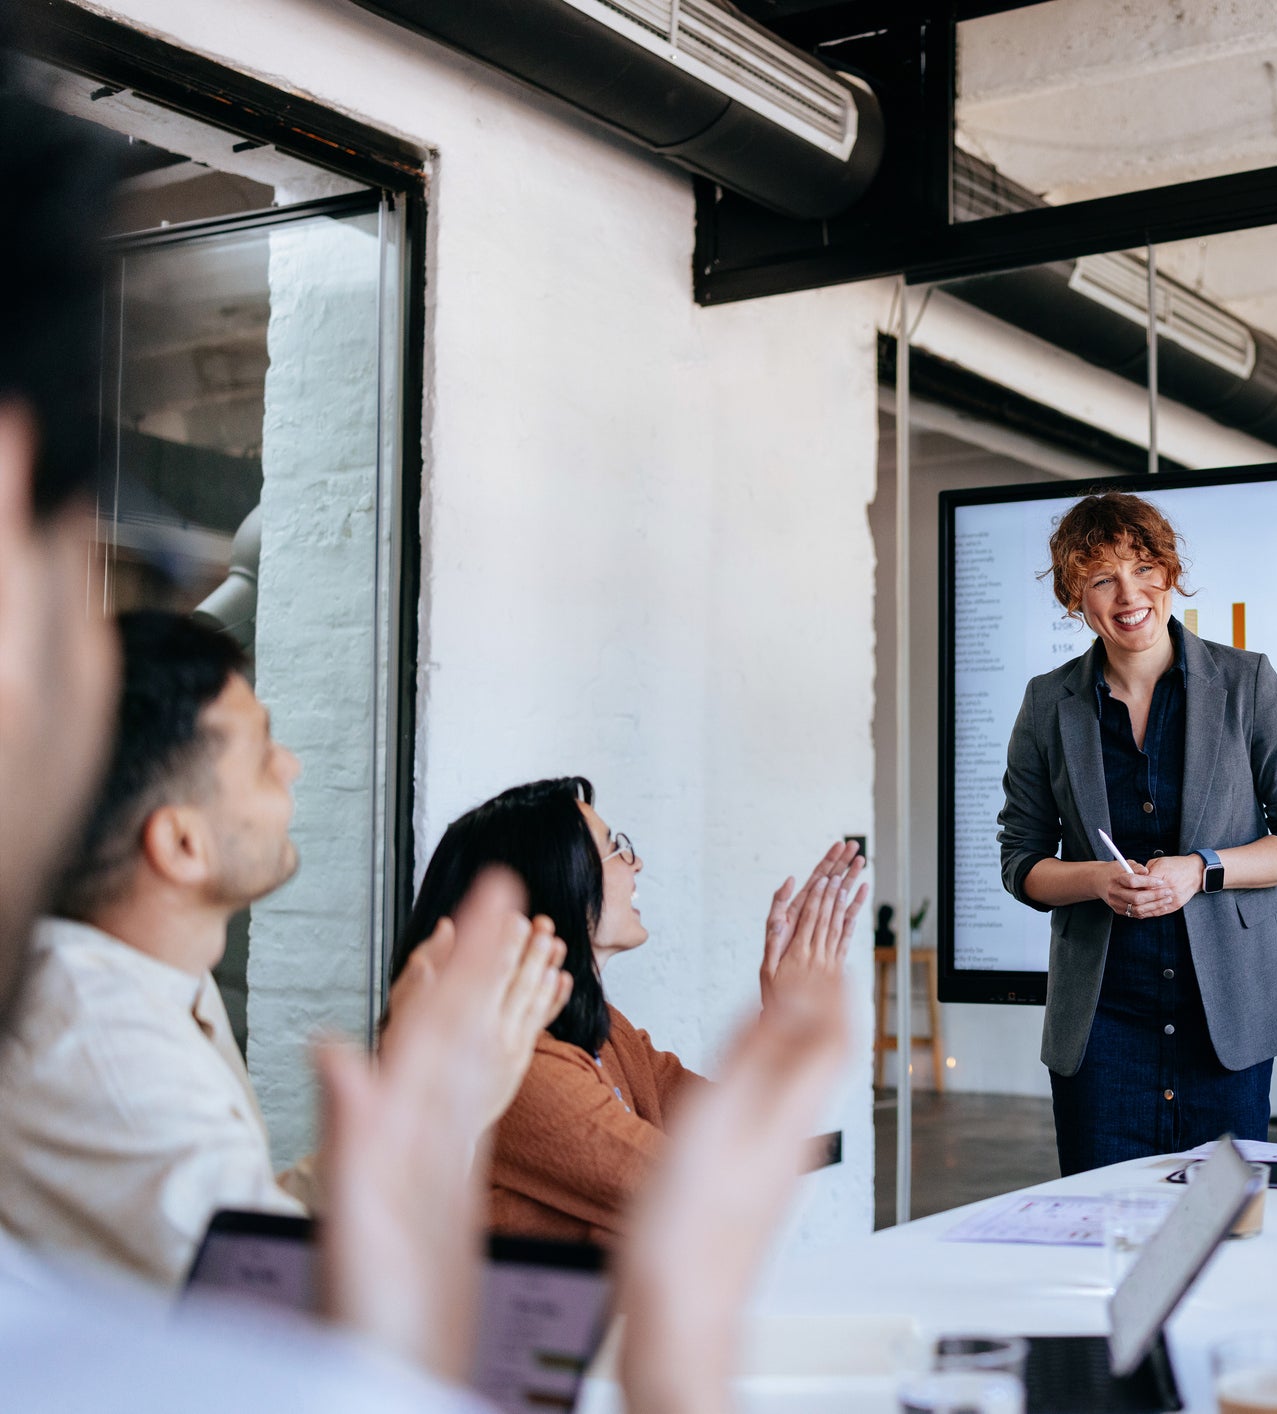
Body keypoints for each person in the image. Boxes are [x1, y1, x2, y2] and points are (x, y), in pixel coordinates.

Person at [0, 52, 850, 1414]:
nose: (291, 767)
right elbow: (263, 1328)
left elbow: (240, 1257)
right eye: (255, 744)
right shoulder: (96, 1035)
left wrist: (414, 1128)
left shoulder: (163, 999)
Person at [998, 492, 1277, 1174]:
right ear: (1074, 598)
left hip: (1228, 1024)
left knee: (1227, 1235)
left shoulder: (1247, 684)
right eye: (1102, 578)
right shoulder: (1046, 704)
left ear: (1170, 573)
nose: (1130, 595)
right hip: (1102, 1029)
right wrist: (1096, 878)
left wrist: (1201, 868)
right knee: (1104, 1241)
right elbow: (1021, 861)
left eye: (1145, 568)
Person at [393, 776, 867, 1242]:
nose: (636, 862)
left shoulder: (608, 1032)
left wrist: (787, 1015)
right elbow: (710, 1193)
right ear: (559, 881)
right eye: (614, 848)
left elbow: (732, 1126)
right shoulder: (520, 1066)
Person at [0, 611, 324, 1287]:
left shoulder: (165, 980)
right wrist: (435, 1103)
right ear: (181, 845)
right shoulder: (98, 1041)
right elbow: (286, 1311)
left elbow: (240, 1219)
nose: (290, 766)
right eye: (263, 755)